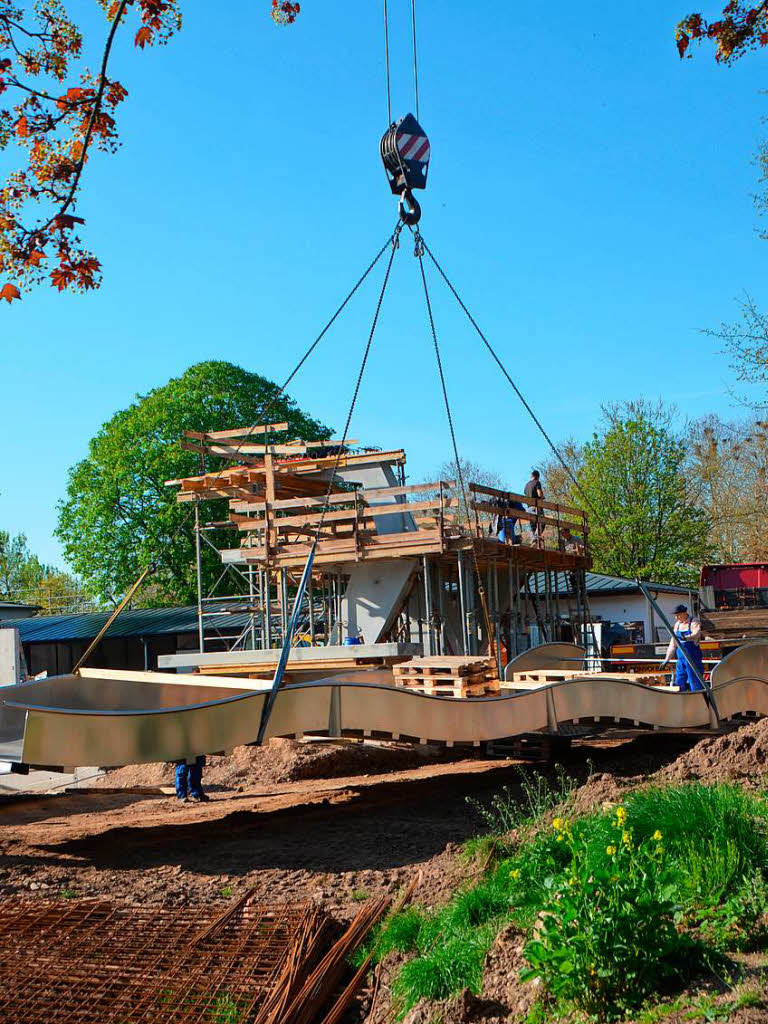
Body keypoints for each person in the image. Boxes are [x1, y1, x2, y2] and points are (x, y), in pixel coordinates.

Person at [660, 605, 705, 692]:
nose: (676, 618)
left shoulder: (694, 621)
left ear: (684, 613)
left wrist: (685, 637)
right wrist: (666, 659)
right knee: (679, 682)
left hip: (693, 660)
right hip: (681, 660)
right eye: (675, 615)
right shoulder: (677, 625)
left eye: (678, 615)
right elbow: (673, 644)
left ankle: (698, 700)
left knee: (695, 682)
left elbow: (696, 634)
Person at [524, 470, 545, 543]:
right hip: (536, 507)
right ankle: (535, 538)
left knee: (533, 525)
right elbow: (539, 494)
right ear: (537, 476)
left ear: (531, 476)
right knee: (542, 522)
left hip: (529, 507)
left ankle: (533, 538)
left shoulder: (526, 485)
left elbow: (525, 494)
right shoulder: (537, 482)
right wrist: (542, 497)